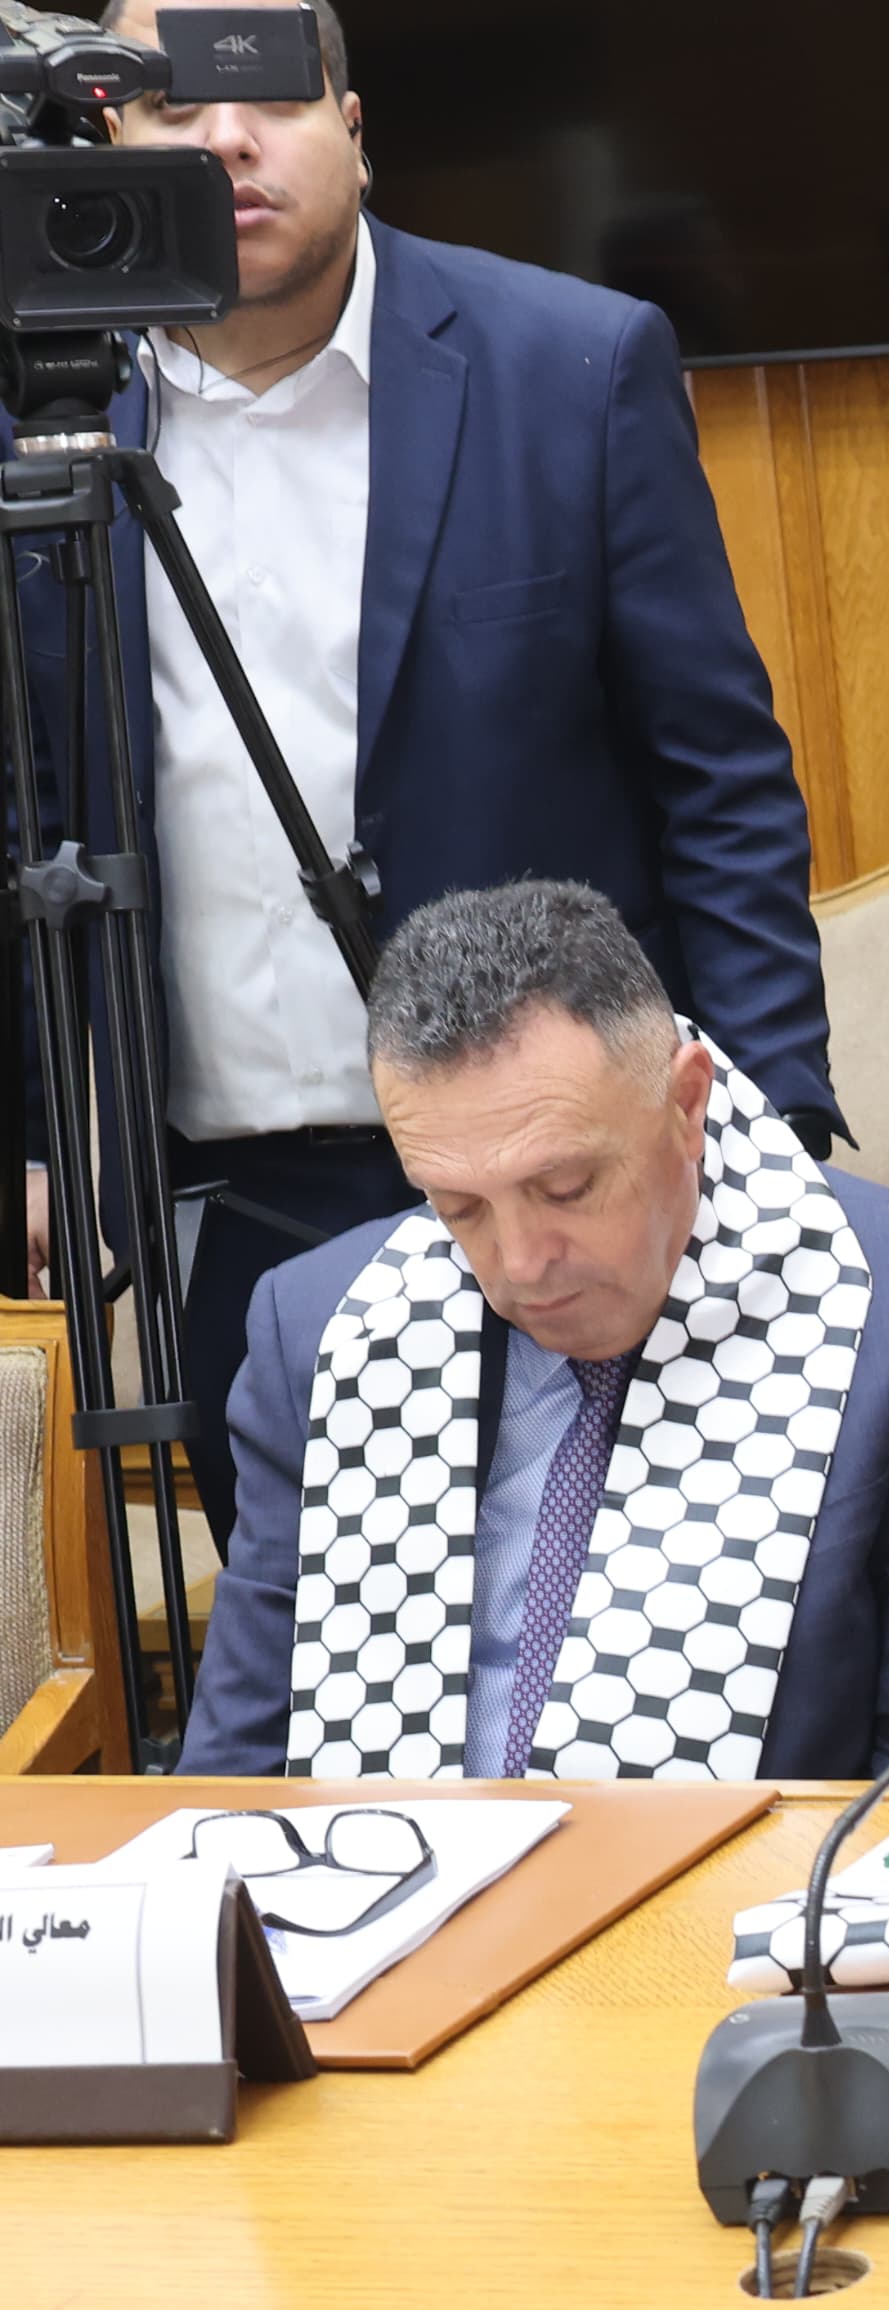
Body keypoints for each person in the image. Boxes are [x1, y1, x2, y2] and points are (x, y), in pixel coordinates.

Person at [18, 0, 835, 1549]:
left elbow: (719, 779)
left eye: (271, 96)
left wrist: (769, 1124)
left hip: (562, 1179)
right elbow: (24, 805)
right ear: (106, 141)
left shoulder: (570, 366)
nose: (227, 140)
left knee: (610, 1633)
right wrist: (37, 1128)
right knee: (315, 1649)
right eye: (172, 104)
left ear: (355, 127)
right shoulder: (41, 413)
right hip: (227, 1210)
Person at [184, 881, 889, 1781]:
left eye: (565, 1189)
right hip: (380, 1866)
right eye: (459, 1206)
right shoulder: (325, 1329)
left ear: (687, 1105)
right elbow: (234, 1767)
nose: (521, 1262)